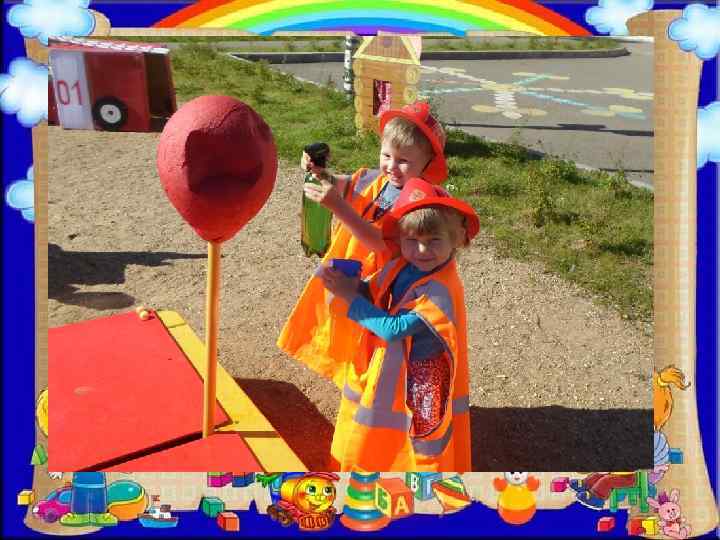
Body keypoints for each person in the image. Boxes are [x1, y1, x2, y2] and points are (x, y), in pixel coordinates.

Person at [278, 101, 448, 389]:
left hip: (380, 281)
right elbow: (344, 184)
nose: (391, 167)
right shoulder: (374, 177)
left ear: (427, 163)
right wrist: (321, 173)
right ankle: (346, 375)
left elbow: (380, 244)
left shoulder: (418, 202)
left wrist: (338, 207)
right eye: (386, 155)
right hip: (350, 265)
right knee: (338, 319)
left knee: (365, 331)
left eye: (403, 161)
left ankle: (365, 385)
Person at [317, 178, 479, 471]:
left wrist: (349, 297)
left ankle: (423, 484)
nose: (421, 250)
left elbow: (393, 330)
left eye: (434, 240)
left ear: (456, 239)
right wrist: (352, 285)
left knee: (422, 438)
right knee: (387, 425)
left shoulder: (440, 289)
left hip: (423, 376)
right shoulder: (403, 264)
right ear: (400, 240)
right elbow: (375, 291)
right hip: (396, 369)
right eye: (411, 241)